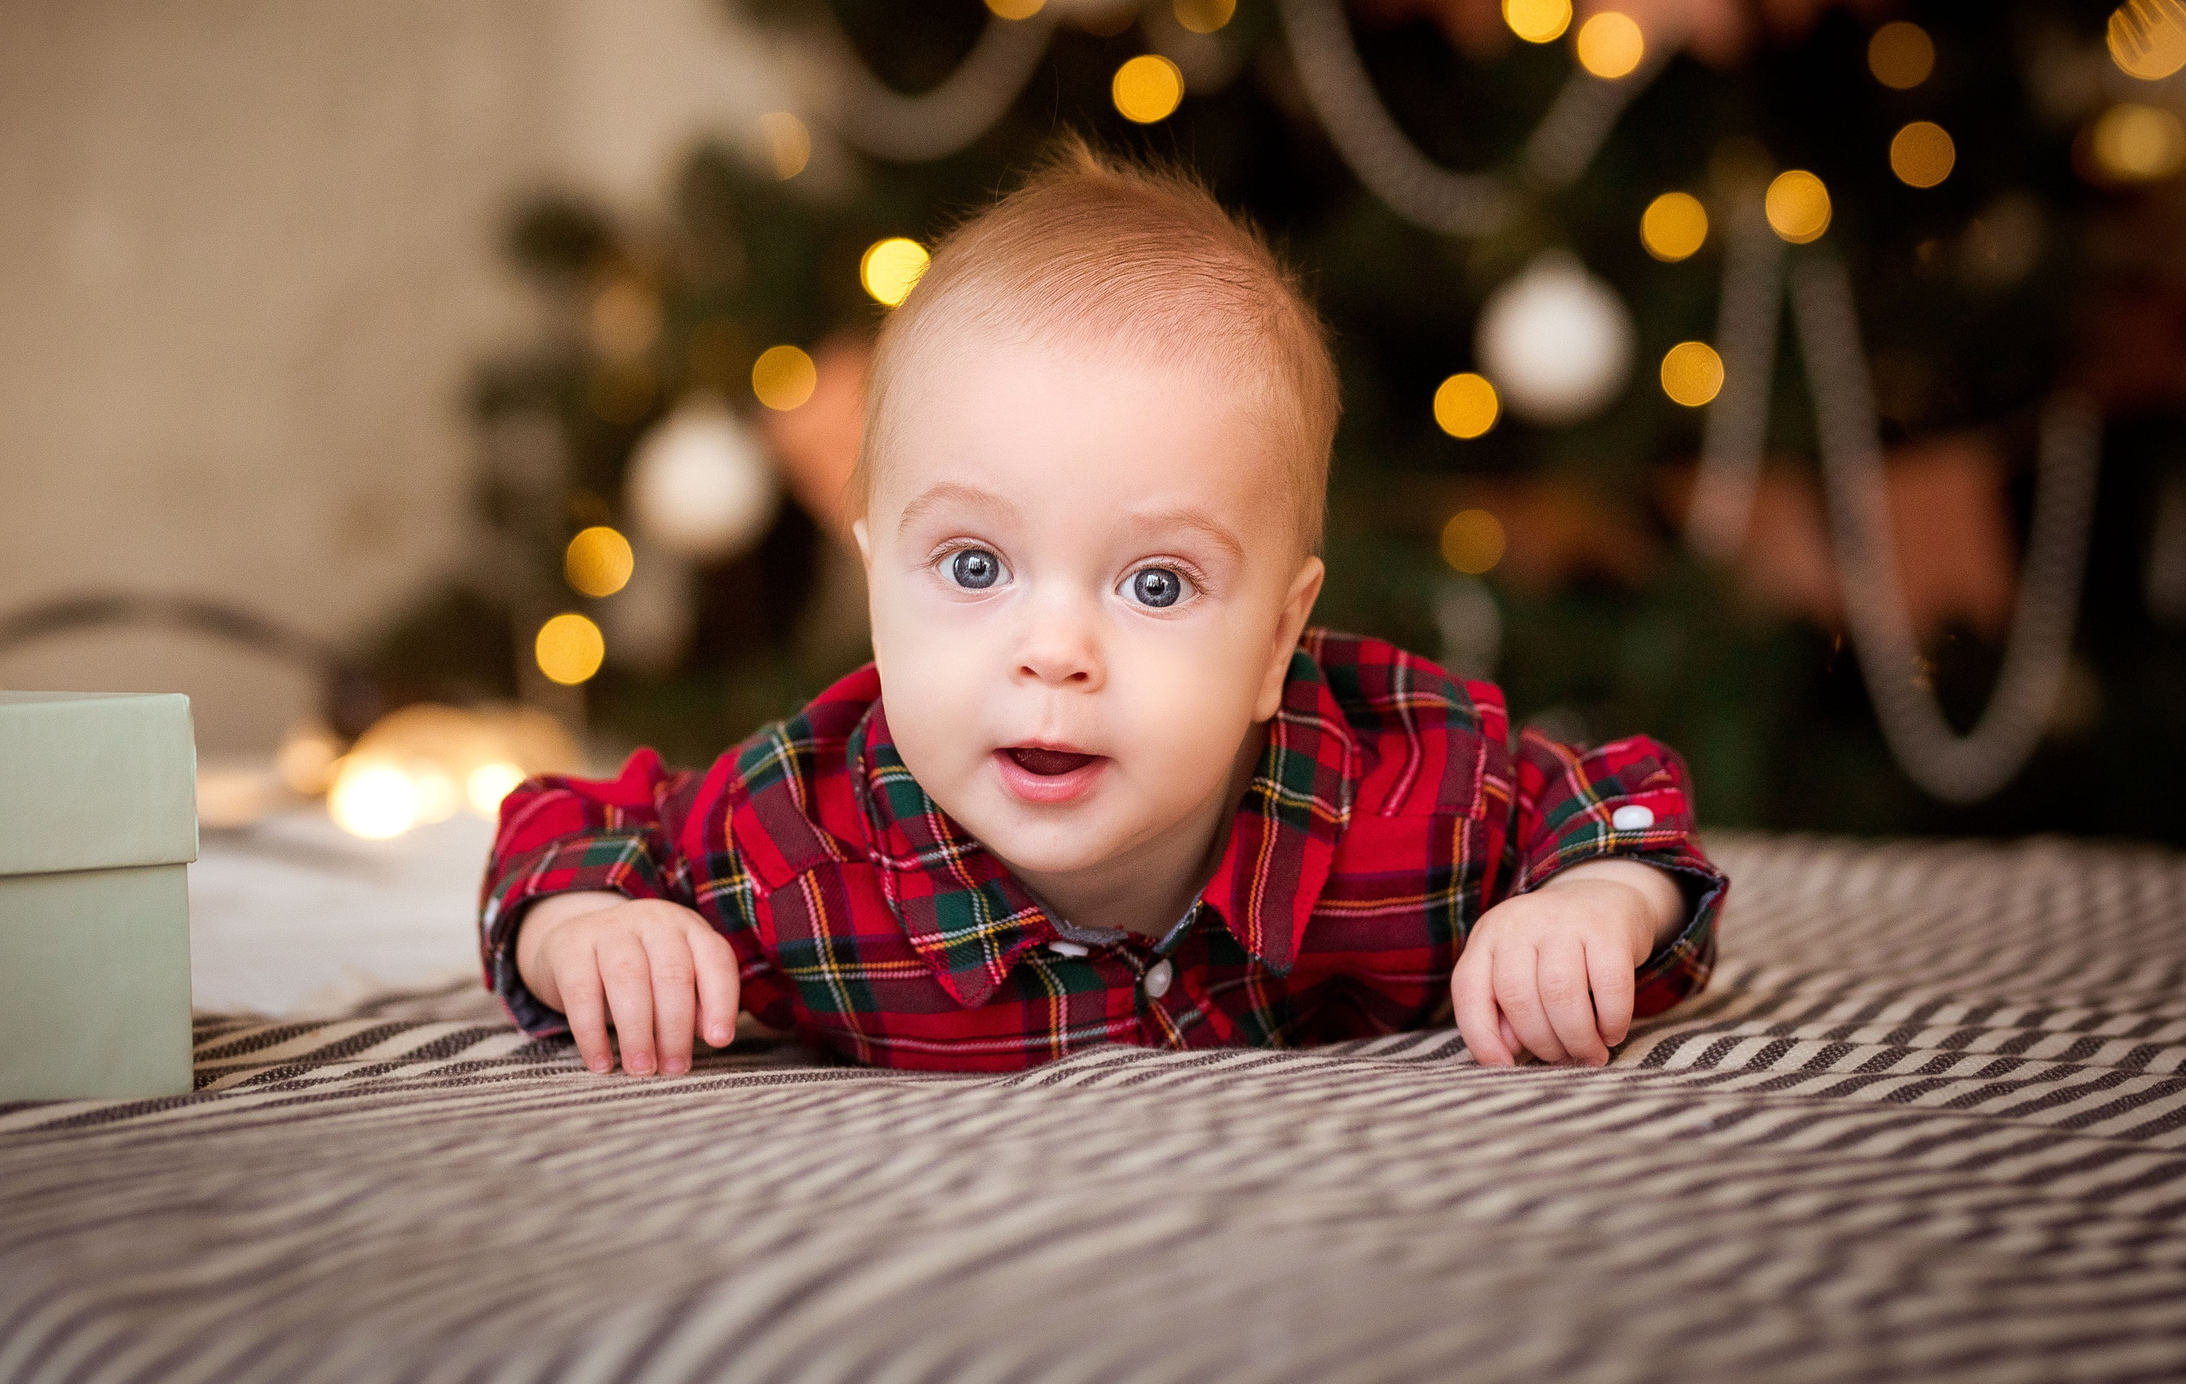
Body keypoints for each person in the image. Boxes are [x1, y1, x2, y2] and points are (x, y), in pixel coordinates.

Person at [479, 141, 1725, 1076]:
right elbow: (568, 824)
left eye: (1155, 583)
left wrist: (1590, 908)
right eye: (974, 567)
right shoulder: (797, 847)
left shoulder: (1408, 799)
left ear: (1277, 642)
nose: (1054, 652)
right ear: (872, 585)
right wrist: (588, 926)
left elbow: (1619, 804)